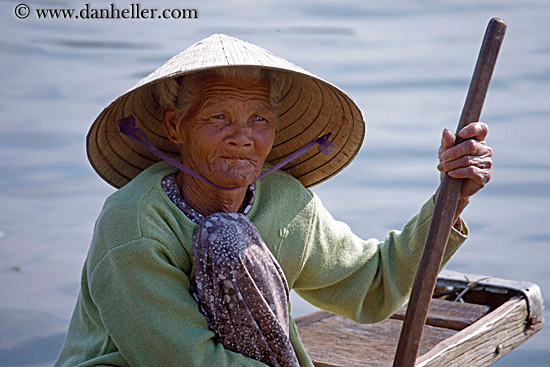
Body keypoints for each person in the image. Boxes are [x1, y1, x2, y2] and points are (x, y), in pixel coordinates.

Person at [55, 34, 492, 367]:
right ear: (175, 125)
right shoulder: (133, 223)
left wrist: (451, 199)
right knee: (224, 237)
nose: (242, 138)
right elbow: (186, 360)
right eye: (218, 117)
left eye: (259, 119)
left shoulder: (284, 203)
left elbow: (373, 286)